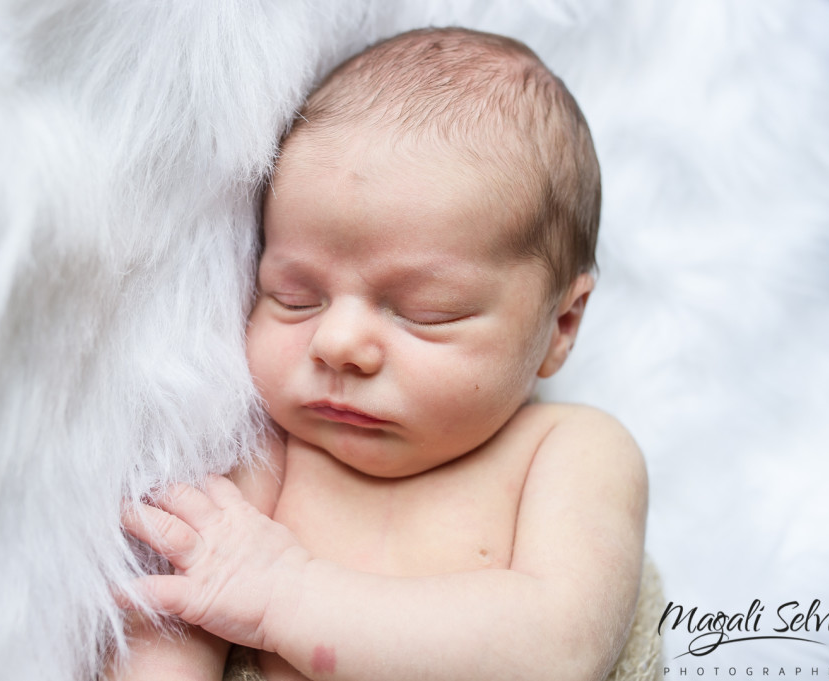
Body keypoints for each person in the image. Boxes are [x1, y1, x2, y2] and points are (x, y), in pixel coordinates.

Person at [111, 26, 648, 681]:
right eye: (295, 296)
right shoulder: (273, 451)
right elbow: (177, 605)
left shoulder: (570, 451)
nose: (335, 344)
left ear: (560, 324)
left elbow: (559, 648)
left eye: (426, 312)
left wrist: (288, 593)